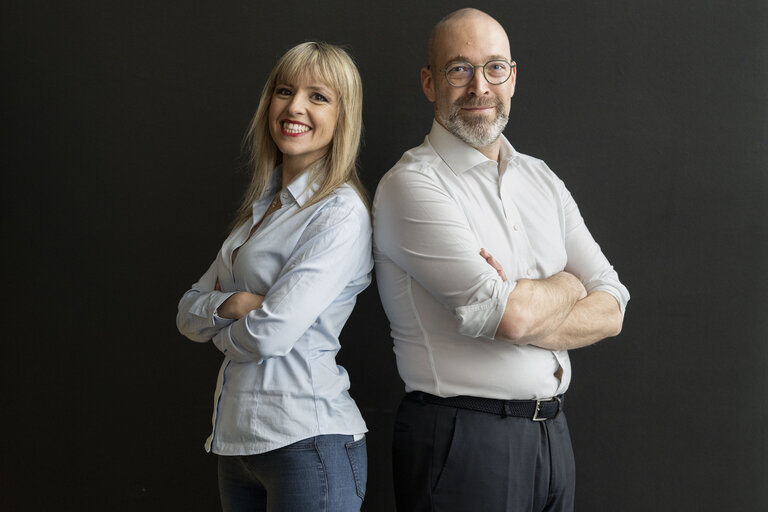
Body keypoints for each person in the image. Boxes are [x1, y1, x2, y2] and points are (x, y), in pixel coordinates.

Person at [373, 8, 630, 512]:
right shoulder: (411, 184)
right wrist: (570, 285)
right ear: (430, 82)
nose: (479, 87)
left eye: (494, 68)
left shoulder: (541, 179)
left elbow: (614, 305)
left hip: (552, 435)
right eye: (459, 69)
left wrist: (522, 299)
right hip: (461, 439)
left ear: (512, 78)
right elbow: (511, 317)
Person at [177, 42, 371, 512]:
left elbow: (271, 334)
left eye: (318, 96)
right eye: (285, 90)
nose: (295, 107)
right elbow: (187, 311)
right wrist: (233, 304)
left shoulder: (339, 212)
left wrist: (220, 332)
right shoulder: (259, 211)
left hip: (307, 442)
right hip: (235, 444)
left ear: (343, 115)